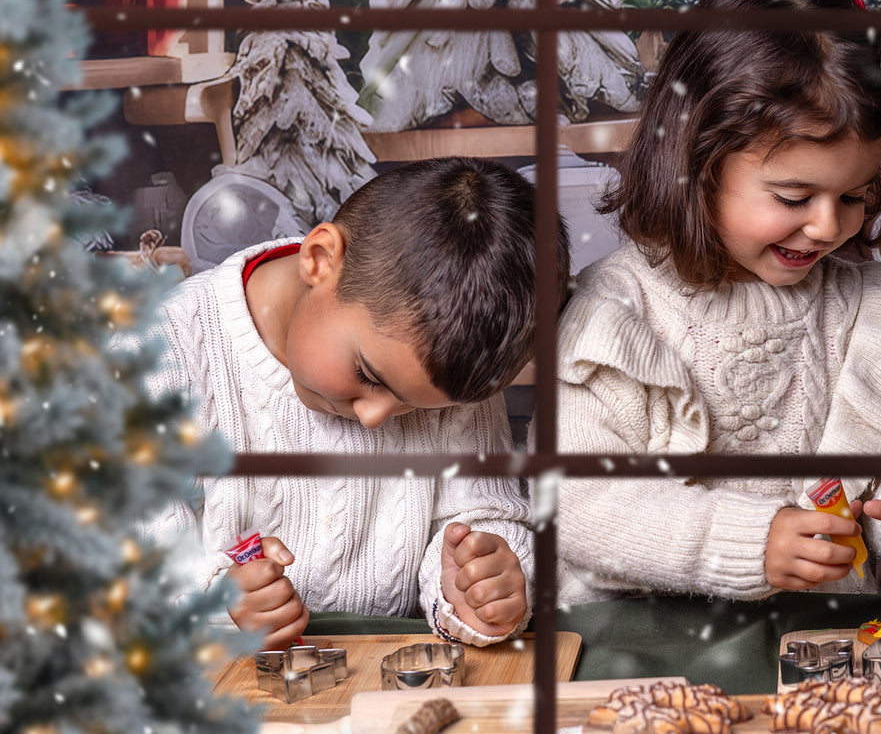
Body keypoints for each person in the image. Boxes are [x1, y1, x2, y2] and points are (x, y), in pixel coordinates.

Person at [552, 0, 881, 605]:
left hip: (825, 646)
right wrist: (750, 542)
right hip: (646, 654)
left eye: (855, 195)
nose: (828, 226)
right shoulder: (618, 315)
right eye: (793, 196)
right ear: (699, 162)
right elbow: (580, 505)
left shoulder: (866, 313)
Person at [143, 157, 566, 650]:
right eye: (367, 375)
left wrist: (478, 587)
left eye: (417, 408)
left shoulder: (450, 365)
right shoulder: (155, 356)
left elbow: (482, 517)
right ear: (319, 259)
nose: (373, 417)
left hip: (391, 675)